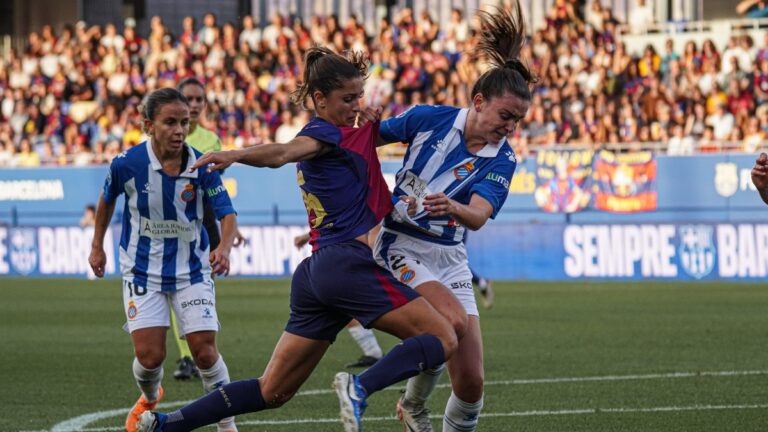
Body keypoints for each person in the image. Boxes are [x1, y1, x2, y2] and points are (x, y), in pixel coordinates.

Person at [137, 46, 459, 432]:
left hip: (318, 274)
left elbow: (354, 162)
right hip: (346, 265)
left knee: (272, 390)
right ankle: (360, 387)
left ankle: (167, 424)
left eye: (360, 96)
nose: (357, 105)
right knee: (443, 335)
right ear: (319, 99)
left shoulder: (350, 131)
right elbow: (284, 152)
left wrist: (367, 122)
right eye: (348, 99)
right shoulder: (323, 132)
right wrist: (235, 154)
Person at [371, 4, 535, 431]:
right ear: (478, 102)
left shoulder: (503, 159)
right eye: (506, 116)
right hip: (400, 244)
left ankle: (412, 407)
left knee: (472, 382)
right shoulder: (429, 119)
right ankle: (414, 406)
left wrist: (454, 208)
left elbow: (478, 216)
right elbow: (369, 139)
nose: (511, 127)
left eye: (519, 120)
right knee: (450, 323)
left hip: (450, 254)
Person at [88, 87, 240, 432]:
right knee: (150, 358)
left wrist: (225, 248)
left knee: (204, 352)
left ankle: (227, 424)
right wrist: (97, 245)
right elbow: (106, 200)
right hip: (142, 271)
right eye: (170, 122)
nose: (179, 130)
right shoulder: (127, 164)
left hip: (193, 271)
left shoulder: (203, 165)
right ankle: (151, 395)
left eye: (184, 123)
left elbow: (227, 214)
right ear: (148, 125)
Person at [293, 230, 384, 367]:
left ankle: (417, 345)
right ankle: (373, 353)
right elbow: (335, 223)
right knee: (343, 308)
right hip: (352, 258)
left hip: (364, 258)